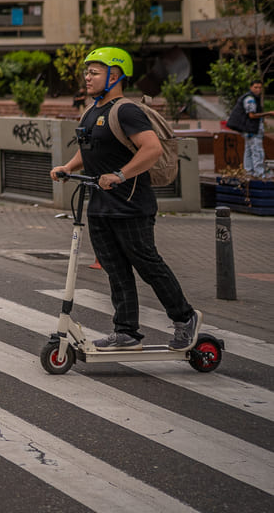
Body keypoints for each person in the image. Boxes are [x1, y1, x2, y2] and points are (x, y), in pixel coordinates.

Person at [50, 47, 201, 350]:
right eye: (87, 72)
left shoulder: (126, 111)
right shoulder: (91, 111)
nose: (87, 77)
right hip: (100, 205)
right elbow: (89, 149)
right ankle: (126, 331)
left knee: (147, 264)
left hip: (131, 205)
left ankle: (184, 317)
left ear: (114, 76)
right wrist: (68, 167)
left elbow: (152, 149)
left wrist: (120, 175)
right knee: (115, 269)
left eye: (94, 72)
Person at [226, 79, 271, 179]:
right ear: (251, 87)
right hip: (252, 130)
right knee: (257, 151)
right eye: (256, 87)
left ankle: (249, 172)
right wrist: (268, 113)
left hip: (249, 129)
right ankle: (260, 174)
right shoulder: (250, 99)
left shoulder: (250, 97)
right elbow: (252, 115)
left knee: (249, 151)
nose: (258, 90)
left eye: (260, 88)